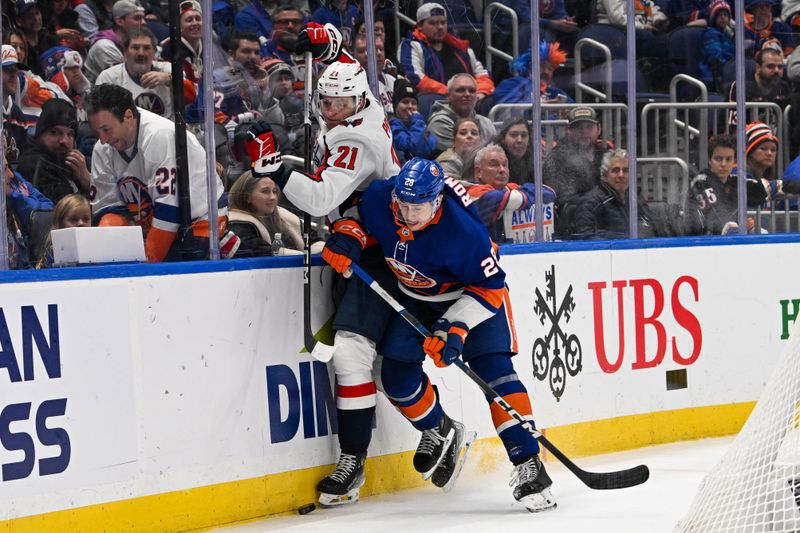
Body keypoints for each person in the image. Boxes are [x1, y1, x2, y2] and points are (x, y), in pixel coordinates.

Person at [245, 23, 406, 506]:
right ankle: (362, 454)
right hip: (368, 241)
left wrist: (275, 169)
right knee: (360, 356)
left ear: (357, 104)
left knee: (367, 357)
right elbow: (345, 65)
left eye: (340, 106)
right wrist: (329, 44)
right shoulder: (364, 96)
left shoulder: (357, 144)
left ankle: (369, 453)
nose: (332, 111)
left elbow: (317, 200)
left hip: (380, 252)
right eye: (328, 103)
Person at [351, 157, 557, 512]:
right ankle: (439, 428)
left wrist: (453, 329)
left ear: (438, 200)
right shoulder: (379, 198)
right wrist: (347, 235)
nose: (410, 214)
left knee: (497, 375)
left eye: (419, 207)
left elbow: (491, 286)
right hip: (416, 298)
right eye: (404, 204)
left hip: (473, 296)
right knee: (396, 378)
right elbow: (358, 218)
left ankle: (528, 463)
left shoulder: (463, 231)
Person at [85, 84, 228, 262]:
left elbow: (169, 211)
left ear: (128, 116)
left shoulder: (159, 135)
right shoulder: (102, 148)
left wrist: (146, 266)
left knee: (169, 277)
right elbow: (107, 208)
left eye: (106, 129)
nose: (103, 140)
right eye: (97, 131)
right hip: (151, 223)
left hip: (199, 220)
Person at [397, 2, 494, 109]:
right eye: (433, 23)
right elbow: (415, 78)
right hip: (435, 101)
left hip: (465, 99)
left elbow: (482, 75)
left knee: (489, 100)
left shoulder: (460, 47)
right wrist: (451, 93)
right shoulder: (411, 46)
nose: (440, 27)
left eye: (443, 23)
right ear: (419, 25)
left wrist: (481, 92)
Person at [543, 106, 612, 239]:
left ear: (598, 129)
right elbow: (562, 199)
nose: (584, 131)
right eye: (578, 127)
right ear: (568, 130)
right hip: (572, 228)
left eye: (588, 127)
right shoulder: (557, 157)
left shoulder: (606, 155)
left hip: (605, 222)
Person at [466, 144, 556, 243]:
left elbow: (549, 192)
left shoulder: (508, 188)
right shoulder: (473, 193)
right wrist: (528, 195)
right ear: (479, 172)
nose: (502, 170)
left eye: (504, 165)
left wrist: (523, 194)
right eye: (494, 165)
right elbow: (499, 198)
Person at [684, 134, 771, 235]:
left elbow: (764, 188)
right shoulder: (700, 182)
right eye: (718, 159)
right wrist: (741, 226)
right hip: (698, 243)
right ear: (709, 161)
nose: (723, 164)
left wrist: (783, 186)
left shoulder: (735, 181)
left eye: (728, 159)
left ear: (734, 161)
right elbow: (720, 219)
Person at [228, 170, 323, 257]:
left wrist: (313, 254)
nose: (273, 197)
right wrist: (300, 257)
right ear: (246, 197)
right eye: (265, 191)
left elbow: (315, 241)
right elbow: (257, 252)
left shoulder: (286, 218)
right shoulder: (237, 224)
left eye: (274, 191)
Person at [16, 98, 94, 205]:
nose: (64, 141)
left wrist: (86, 180)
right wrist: (89, 185)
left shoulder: (74, 163)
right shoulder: (34, 164)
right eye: (55, 132)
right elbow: (68, 213)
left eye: (70, 134)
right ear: (40, 134)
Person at [96, 29, 186, 119]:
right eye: (135, 47)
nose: (141, 53)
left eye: (146, 48)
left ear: (154, 52)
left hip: (165, 130)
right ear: (125, 52)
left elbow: (192, 94)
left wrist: (169, 79)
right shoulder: (109, 77)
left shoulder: (168, 69)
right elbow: (102, 115)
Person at [569, 148, 656, 240]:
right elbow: (585, 237)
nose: (621, 175)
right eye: (615, 170)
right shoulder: (591, 202)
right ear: (605, 176)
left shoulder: (636, 199)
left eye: (626, 170)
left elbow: (650, 229)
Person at [426, 74, 495, 154]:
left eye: (472, 91)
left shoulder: (486, 122)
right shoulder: (439, 123)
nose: (467, 94)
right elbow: (460, 157)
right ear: (448, 96)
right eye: (460, 90)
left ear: (477, 96)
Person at [727, 42, 790, 128]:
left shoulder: (784, 87)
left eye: (780, 67)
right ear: (758, 68)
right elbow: (734, 127)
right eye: (770, 66)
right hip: (748, 139)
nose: (776, 70)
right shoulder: (740, 87)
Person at [84, 0, 146, 83]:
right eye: (137, 18)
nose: (143, 22)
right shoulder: (104, 47)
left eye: (143, 18)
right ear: (120, 21)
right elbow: (124, 81)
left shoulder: (133, 41)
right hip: (101, 94)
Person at [36, 193, 92, 268]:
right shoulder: (53, 253)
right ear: (60, 223)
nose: (81, 223)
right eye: (73, 219)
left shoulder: (97, 248)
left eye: (86, 219)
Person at [390, 78, 437, 163]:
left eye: (413, 103)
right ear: (396, 106)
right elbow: (417, 149)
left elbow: (432, 146)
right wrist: (417, 122)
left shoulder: (421, 124)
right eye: (405, 102)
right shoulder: (392, 127)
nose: (410, 106)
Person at [159, 0, 204, 84]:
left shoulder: (205, 46)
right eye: (189, 20)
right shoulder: (170, 48)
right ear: (179, 25)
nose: (195, 23)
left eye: (198, 19)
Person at [699, 0, 734, 91]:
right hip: (712, 77)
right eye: (719, 15)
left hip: (727, 73)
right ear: (714, 18)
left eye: (725, 15)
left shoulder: (728, 35)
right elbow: (715, 59)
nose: (723, 18)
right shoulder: (710, 34)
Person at [494, 117, 533, 185]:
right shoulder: (494, 162)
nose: (519, 140)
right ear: (503, 139)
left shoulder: (533, 161)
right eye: (513, 135)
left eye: (524, 135)